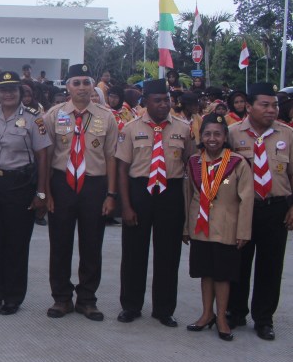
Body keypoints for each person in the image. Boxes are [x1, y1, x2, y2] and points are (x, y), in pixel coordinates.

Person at [115, 79, 194, 327]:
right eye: (157, 100)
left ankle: (164, 309)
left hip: (170, 192)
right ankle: (131, 305)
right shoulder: (130, 128)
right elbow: (122, 169)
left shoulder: (184, 128)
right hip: (140, 191)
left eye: (166, 100)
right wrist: (125, 205)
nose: (163, 104)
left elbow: (191, 163)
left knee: (168, 254)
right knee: (133, 253)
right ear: (145, 102)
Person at [43, 63, 119, 321]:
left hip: (93, 185)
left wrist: (111, 194)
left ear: (93, 86)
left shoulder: (106, 117)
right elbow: (47, 155)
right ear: (68, 87)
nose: (82, 88)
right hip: (61, 184)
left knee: (92, 244)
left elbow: (111, 157)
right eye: (76, 83)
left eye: (86, 82)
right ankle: (61, 298)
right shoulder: (54, 115)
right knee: (59, 243)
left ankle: (87, 299)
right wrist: (46, 193)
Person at [0, 72, 51, 315]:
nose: (8, 94)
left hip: (19, 185)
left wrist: (41, 193)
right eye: (3, 90)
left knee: (16, 243)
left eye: (13, 90)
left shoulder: (33, 119)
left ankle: (13, 297)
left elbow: (42, 156)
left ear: (20, 92)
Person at [226, 82, 293, 341]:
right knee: (239, 263)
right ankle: (236, 312)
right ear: (249, 106)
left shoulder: (287, 134)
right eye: (264, 105)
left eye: (274, 105)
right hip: (242, 208)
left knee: (271, 266)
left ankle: (264, 319)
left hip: (276, 208)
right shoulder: (233, 134)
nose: (271, 110)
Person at [183, 114, 252, 341]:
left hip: (226, 226)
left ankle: (221, 317)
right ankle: (206, 314)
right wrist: (186, 227)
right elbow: (188, 196)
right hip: (201, 226)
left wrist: (243, 231)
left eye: (217, 134)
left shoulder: (237, 162)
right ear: (201, 137)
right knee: (205, 272)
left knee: (223, 274)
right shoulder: (194, 162)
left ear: (225, 137)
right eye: (207, 134)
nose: (212, 138)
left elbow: (246, 200)